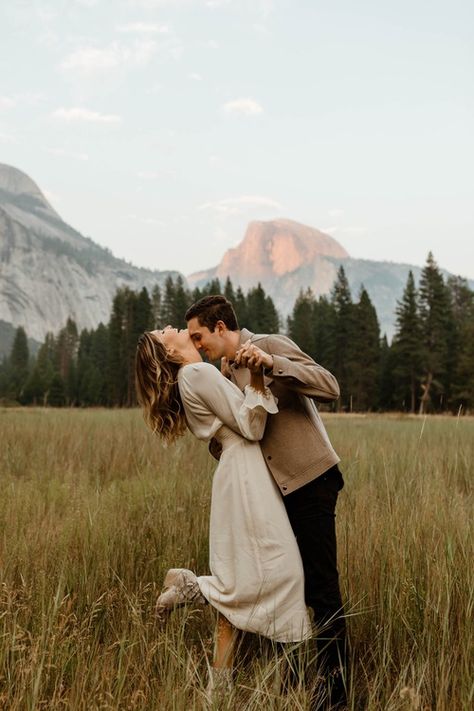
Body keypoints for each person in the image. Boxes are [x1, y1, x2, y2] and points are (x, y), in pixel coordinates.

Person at [186, 295, 348, 709]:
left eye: (199, 335)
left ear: (221, 327)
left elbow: (329, 385)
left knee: (321, 590)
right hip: (271, 495)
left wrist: (271, 365)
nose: (198, 344)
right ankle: (290, 688)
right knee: (283, 587)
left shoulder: (270, 343)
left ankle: (334, 697)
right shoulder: (221, 373)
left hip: (311, 481)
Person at [135, 326, 311, 699]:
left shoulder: (190, 379)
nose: (177, 328)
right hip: (246, 477)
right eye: (169, 330)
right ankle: (195, 588)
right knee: (287, 573)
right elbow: (252, 425)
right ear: (168, 348)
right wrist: (259, 376)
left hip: (238, 476)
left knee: (241, 578)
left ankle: (219, 693)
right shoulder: (197, 373)